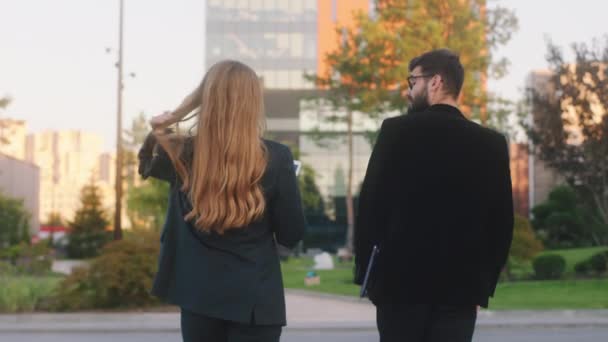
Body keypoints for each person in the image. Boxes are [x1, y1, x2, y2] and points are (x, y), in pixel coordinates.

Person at [138, 60, 306, 342]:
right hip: (256, 300)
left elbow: (146, 164)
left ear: (206, 99)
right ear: (252, 103)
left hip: (198, 299)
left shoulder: (182, 154)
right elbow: (292, 233)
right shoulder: (277, 157)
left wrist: (162, 126)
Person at [354, 49, 514, 342]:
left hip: (399, 288)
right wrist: (482, 286)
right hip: (460, 291)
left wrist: (367, 276)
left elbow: (370, 208)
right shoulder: (490, 144)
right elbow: (502, 223)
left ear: (435, 82)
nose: (408, 91)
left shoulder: (395, 132)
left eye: (412, 81)